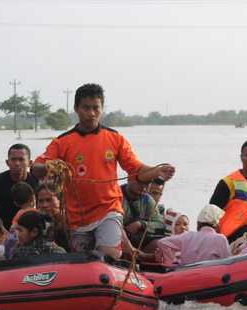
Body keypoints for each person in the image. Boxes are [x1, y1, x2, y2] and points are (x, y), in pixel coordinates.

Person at [32, 83, 175, 259]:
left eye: (95, 108)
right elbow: (36, 168)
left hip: (109, 209)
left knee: (109, 255)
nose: (91, 113)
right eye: (86, 108)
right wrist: (50, 166)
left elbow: (136, 169)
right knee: (85, 261)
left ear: (102, 109)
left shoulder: (115, 138)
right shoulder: (62, 142)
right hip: (77, 217)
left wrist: (156, 172)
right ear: (76, 108)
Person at [0, 143, 39, 230]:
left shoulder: (37, 181)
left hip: (29, 231)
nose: (17, 163)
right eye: (13, 159)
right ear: (7, 162)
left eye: (21, 160)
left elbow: (42, 209)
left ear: (30, 163)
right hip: (1, 230)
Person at [156, 204, 231, 266]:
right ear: (217, 225)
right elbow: (228, 263)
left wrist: (168, 263)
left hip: (184, 275)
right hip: (209, 278)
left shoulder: (187, 236)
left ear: (198, 224)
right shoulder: (220, 239)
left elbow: (162, 242)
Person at [121, 178, 167, 251]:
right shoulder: (115, 196)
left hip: (139, 242)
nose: (144, 187)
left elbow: (160, 224)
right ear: (130, 179)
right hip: (118, 240)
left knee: (162, 243)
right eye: (140, 182)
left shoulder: (147, 199)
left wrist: (141, 224)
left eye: (147, 184)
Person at [36, 182, 70, 251]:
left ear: (60, 201)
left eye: (49, 200)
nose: (44, 205)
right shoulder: (37, 223)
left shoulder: (71, 222)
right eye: (40, 201)